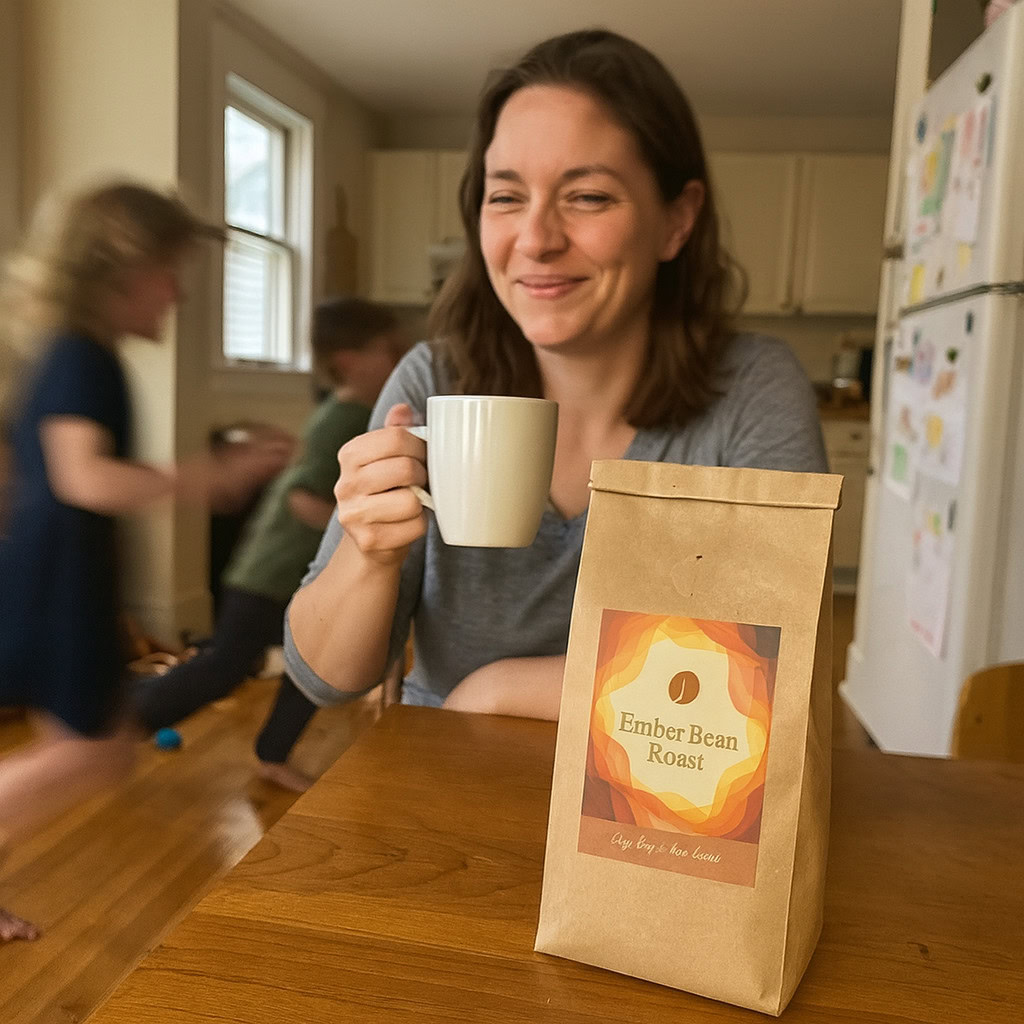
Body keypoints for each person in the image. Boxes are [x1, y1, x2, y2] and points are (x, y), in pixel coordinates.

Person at [283, 29, 829, 724]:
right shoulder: (431, 382)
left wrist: (498, 690)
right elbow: (326, 679)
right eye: (506, 197)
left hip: (656, 785)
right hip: (445, 774)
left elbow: (772, 670)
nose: (536, 240)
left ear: (676, 220)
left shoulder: (751, 391)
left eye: (589, 197)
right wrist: (368, 554)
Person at [0, 181, 290, 942]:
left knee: (86, 750)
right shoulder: (82, 357)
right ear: (118, 269)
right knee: (97, 756)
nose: (178, 293)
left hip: (63, 584)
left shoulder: (73, 354)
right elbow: (81, 477)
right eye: (169, 271)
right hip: (58, 591)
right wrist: (203, 476)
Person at [134, 298, 404, 792]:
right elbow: (303, 498)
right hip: (271, 574)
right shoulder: (343, 418)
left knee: (306, 667)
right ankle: (123, 719)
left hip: (284, 573)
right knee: (224, 668)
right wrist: (361, 536)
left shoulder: (351, 413)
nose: (398, 360)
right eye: (388, 351)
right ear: (350, 362)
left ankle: (272, 754)